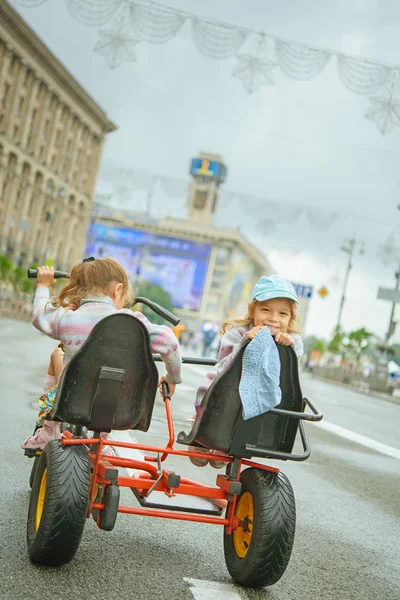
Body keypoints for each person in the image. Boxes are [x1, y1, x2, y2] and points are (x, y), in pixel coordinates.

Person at [22, 258, 183, 450]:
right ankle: (102, 440)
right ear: (117, 290)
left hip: (73, 401)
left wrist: (43, 285)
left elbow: (39, 315)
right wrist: (172, 378)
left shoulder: (68, 318)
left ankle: (49, 431)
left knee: (58, 355)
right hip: (120, 408)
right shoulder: (135, 322)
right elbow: (169, 341)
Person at [189, 274, 304, 468]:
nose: (273, 319)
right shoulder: (238, 332)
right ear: (252, 310)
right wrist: (246, 342)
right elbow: (225, 366)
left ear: (290, 317)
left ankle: (228, 440)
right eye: (266, 310)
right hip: (231, 386)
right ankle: (201, 428)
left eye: (282, 314)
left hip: (266, 393)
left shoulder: (294, 341)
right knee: (210, 383)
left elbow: (287, 378)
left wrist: (288, 350)